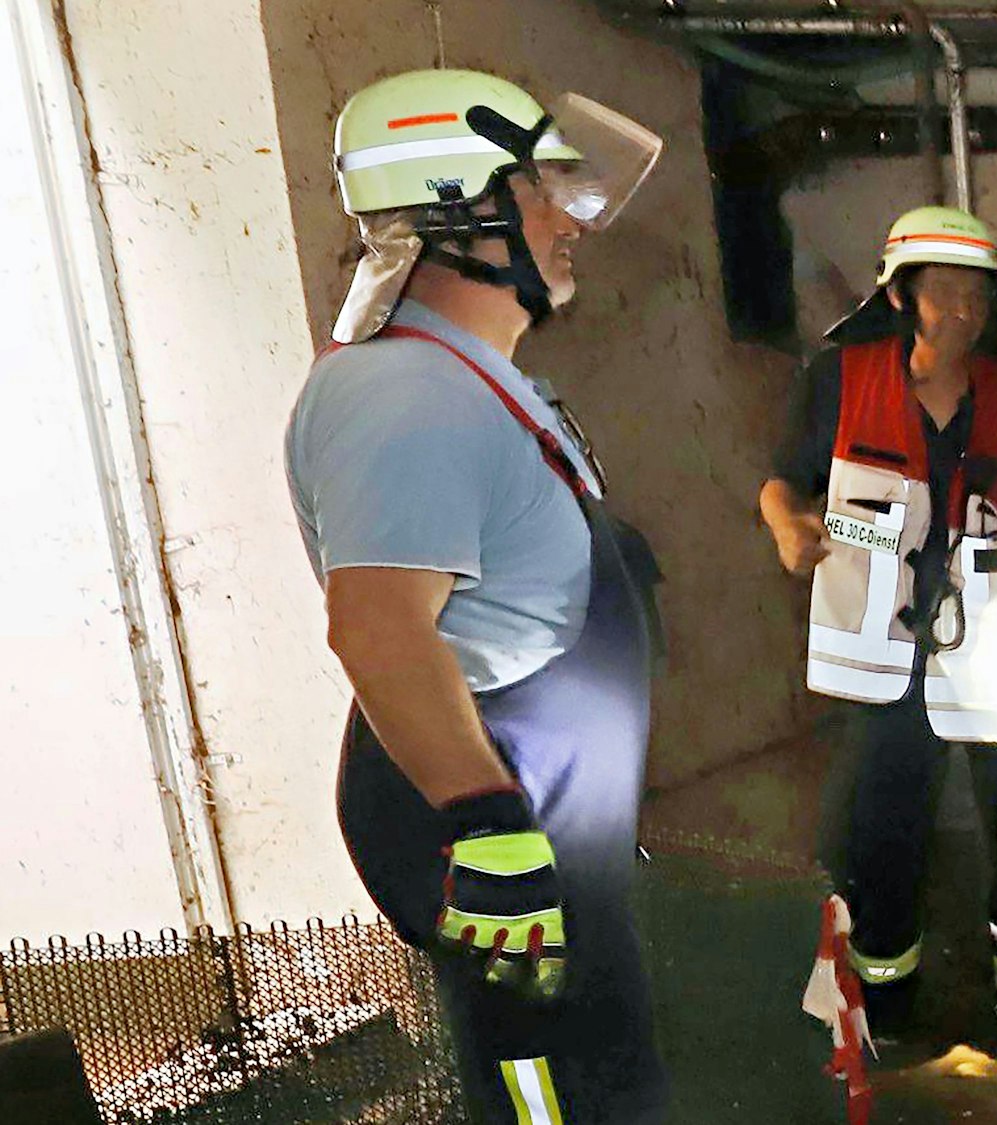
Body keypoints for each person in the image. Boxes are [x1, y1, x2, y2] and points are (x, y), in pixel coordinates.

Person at [285, 68, 669, 1123]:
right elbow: (374, 624)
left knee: (607, 1081)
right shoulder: (402, 395)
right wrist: (487, 824)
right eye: (543, 188)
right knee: (546, 1094)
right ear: (462, 212)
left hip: (547, 818)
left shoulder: (481, 385)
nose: (570, 220)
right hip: (492, 829)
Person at [758, 205, 997, 1078]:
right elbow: (783, 484)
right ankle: (888, 1006)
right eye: (945, 291)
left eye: (979, 296)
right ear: (902, 296)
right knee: (878, 828)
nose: (964, 311)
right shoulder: (840, 381)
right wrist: (791, 529)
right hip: (883, 654)